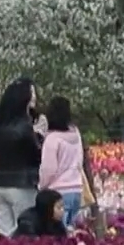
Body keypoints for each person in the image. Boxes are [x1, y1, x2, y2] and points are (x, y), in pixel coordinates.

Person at [0, 79, 43, 236]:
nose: (35, 97)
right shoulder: (25, 126)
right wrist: (39, 136)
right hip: (21, 184)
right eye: (32, 93)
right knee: (25, 231)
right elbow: (36, 156)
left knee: (5, 233)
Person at [37, 96, 87, 230]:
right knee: (71, 232)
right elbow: (80, 161)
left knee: (58, 234)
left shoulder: (52, 139)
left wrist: (41, 186)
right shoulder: (76, 135)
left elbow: (49, 169)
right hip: (76, 189)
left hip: (57, 194)